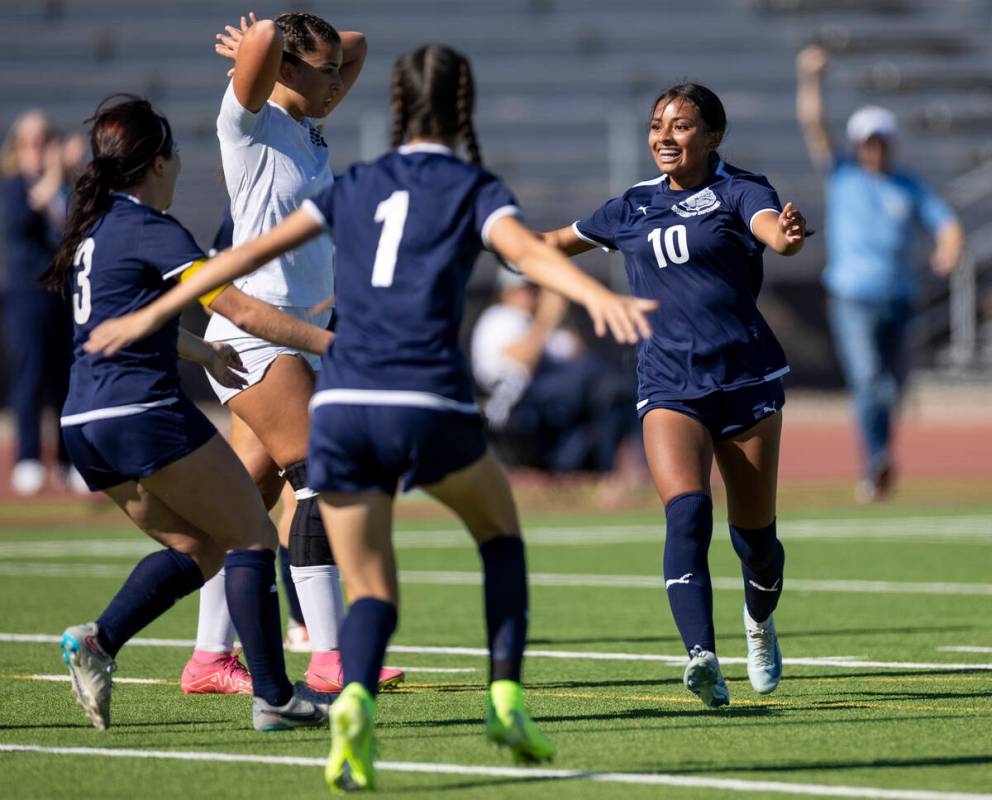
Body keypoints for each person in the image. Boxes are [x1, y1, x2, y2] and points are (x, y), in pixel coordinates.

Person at [84, 45, 655, 792]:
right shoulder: (469, 184)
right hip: (420, 397)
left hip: (345, 400)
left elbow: (235, 258)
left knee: (328, 560)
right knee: (499, 536)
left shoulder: (353, 181)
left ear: (391, 109)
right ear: (461, 111)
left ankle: (329, 686)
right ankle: (496, 695)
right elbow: (524, 255)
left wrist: (155, 313)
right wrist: (594, 295)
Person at [40, 96, 334, 732]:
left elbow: (116, 321)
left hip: (83, 425)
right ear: (155, 162)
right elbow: (243, 309)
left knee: (199, 547)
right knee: (253, 534)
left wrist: (197, 348)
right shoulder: (153, 227)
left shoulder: (91, 228)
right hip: (142, 411)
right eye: (174, 156)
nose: (179, 170)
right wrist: (335, 345)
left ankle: (99, 641)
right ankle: (277, 698)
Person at [543, 83, 810, 709]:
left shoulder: (743, 190)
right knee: (687, 512)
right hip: (668, 384)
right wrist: (477, 242)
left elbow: (774, 232)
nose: (665, 136)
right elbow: (550, 245)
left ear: (712, 137)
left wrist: (789, 238)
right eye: (657, 125)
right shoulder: (631, 206)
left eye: (682, 126)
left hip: (745, 381)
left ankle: (759, 624)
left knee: (756, 541)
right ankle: (702, 656)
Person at [183, 10, 402, 695]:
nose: (339, 80)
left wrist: (309, 54)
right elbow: (268, 45)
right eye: (324, 69)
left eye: (338, 71)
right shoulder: (248, 126)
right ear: (285, 68)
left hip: (296, 330)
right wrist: (267, 40)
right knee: (322, 474)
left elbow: (357, 45)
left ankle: (206, 656)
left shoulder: (309, 126)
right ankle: (330, 652)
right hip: (254, 331)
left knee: (246, 500)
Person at [796, 45, 965, 502]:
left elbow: (946, 222)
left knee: (894, 388)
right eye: (868, 140)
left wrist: (948, 251)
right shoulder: (843, 174)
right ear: (858, 144)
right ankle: (874, 463)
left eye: (881, 140)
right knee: (869, 381)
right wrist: (811, 79)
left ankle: (881, 457)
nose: (874, 148)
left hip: (901, 297)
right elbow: (814, 125)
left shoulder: (908, 185)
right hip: (853, 296)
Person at [471, 271, 638, 476]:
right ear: (506, 292)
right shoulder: (501, 317)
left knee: (612, 387)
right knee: (602, 383)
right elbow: (523, 361)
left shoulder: (538, 325)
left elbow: (577, 356)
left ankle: (608, 471)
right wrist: (547, 317)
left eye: (535, 290)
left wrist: (560, 314)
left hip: (554, 404)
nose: (532, 296)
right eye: (524, 290)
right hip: (515, 404)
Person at [0, 111, 81, 494]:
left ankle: (68, 460)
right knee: (29, 374)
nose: (37, 147)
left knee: (66, 377)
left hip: (62, 294)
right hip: (26, 294)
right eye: (29, 141)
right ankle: (28, 458)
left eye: (43, 139)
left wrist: (66, 178)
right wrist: (52, 176)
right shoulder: (14, 184)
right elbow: (19, 223)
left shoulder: (65, 187)